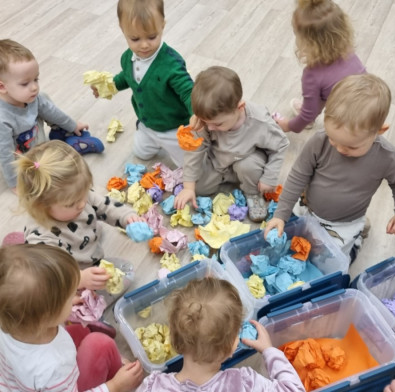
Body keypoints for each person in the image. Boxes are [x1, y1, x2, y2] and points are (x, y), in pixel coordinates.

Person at [264, 73, 395, 262]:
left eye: (351, 146)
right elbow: (297, 176)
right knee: (287, 243)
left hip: (344, 223)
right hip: (306, 207)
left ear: (379, 131)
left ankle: (357, 240)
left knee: (329, 261)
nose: (339, 149)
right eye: (333, 139)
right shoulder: (319, 141)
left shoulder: (388, 157)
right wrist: (281, 215)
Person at [0, 243, 143, 392]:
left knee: (80, 331)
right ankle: (117, 376)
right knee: (101, 344)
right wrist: (114, 386)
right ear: (48, 316)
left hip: (15, 381)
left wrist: (64, 304)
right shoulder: (54, 367)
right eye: (69, 298)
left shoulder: (11, 315)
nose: (75, 295)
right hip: (61, 384)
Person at [136, 277, 305, 391]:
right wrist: (269, 351)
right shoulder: (244, 383)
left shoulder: (152, 386)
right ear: (231, 347)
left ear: (173, 337)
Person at [16, 140, 141, 294]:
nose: (82, 204)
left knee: (124, 274)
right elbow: (48, 278)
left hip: (88, 254)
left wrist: (128, 217)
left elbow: (106, 206)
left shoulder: (78, 197)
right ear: (42, 206)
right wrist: (79, 279)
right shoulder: (44, 238)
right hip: (69, 276)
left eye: (85, 192)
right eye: (72, 203)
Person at [90, 0, 193, 168]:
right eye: (135, 39)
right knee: (141, 153)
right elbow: (127, 77)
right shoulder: (127, 57)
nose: (144, 45)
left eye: (152, 37)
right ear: (122, 30)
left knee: (190, 165)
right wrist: (110, 86)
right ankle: (151, 137)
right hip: (147, 125)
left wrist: (196, 115)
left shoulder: (171, 64)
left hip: (174, 128)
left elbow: (188, 92)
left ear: (162, 25)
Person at [174, 66, 289, 222]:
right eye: (206, 122)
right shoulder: (207, 121)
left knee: (248, 167)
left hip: (246, 160)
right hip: (218, 163)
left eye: (217, 124)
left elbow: (281, 145)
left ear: (239, 108)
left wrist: (270, 177)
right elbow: (195, 151)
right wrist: (189, 188)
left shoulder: (260, 122)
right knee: (198, 187)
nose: (210, 128)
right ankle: (225, 178)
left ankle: (252, 193)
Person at [0, 39, 104, 191]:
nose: (34, 87)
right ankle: (69, 147)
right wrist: (14, 183)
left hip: (37, 140)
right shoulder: (3, 120)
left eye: (36, 79)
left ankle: (63, 132)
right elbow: (5, 154)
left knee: (43, 99)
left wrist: (72, 125)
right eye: (25, 83)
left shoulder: (32, 97)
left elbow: (53, 112)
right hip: (23, 159)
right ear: (2, 87)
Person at [274, 0, 365, 133]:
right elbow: (328, 90)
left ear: (308, 42)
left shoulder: (312, 75)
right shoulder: (349, 52)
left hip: (345, 126)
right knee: (325, 93)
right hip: (367, 107)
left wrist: (288, 125)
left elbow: (306, 115)